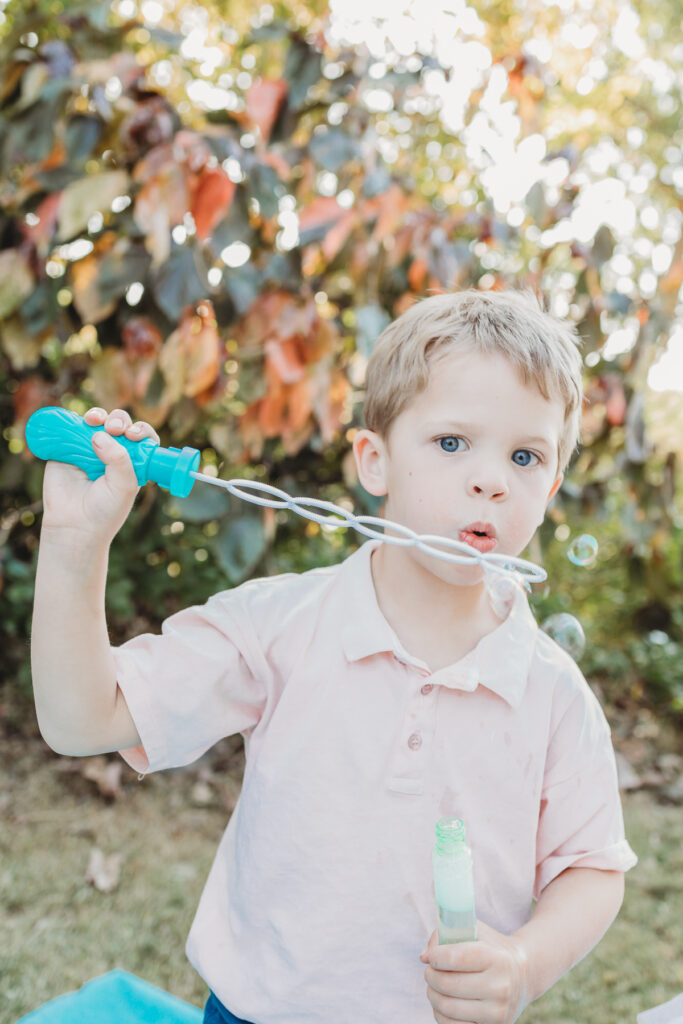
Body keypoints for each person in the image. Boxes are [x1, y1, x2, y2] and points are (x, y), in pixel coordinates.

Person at [31, 288, 638, 1024]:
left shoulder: (550, 692)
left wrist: (523, 962)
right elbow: (82, 720)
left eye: (524, 455)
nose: (490, 479)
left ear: (549, 486)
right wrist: (74, 543)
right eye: (451, 443)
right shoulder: (278, 625)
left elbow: (591, 867)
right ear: (373, 461)